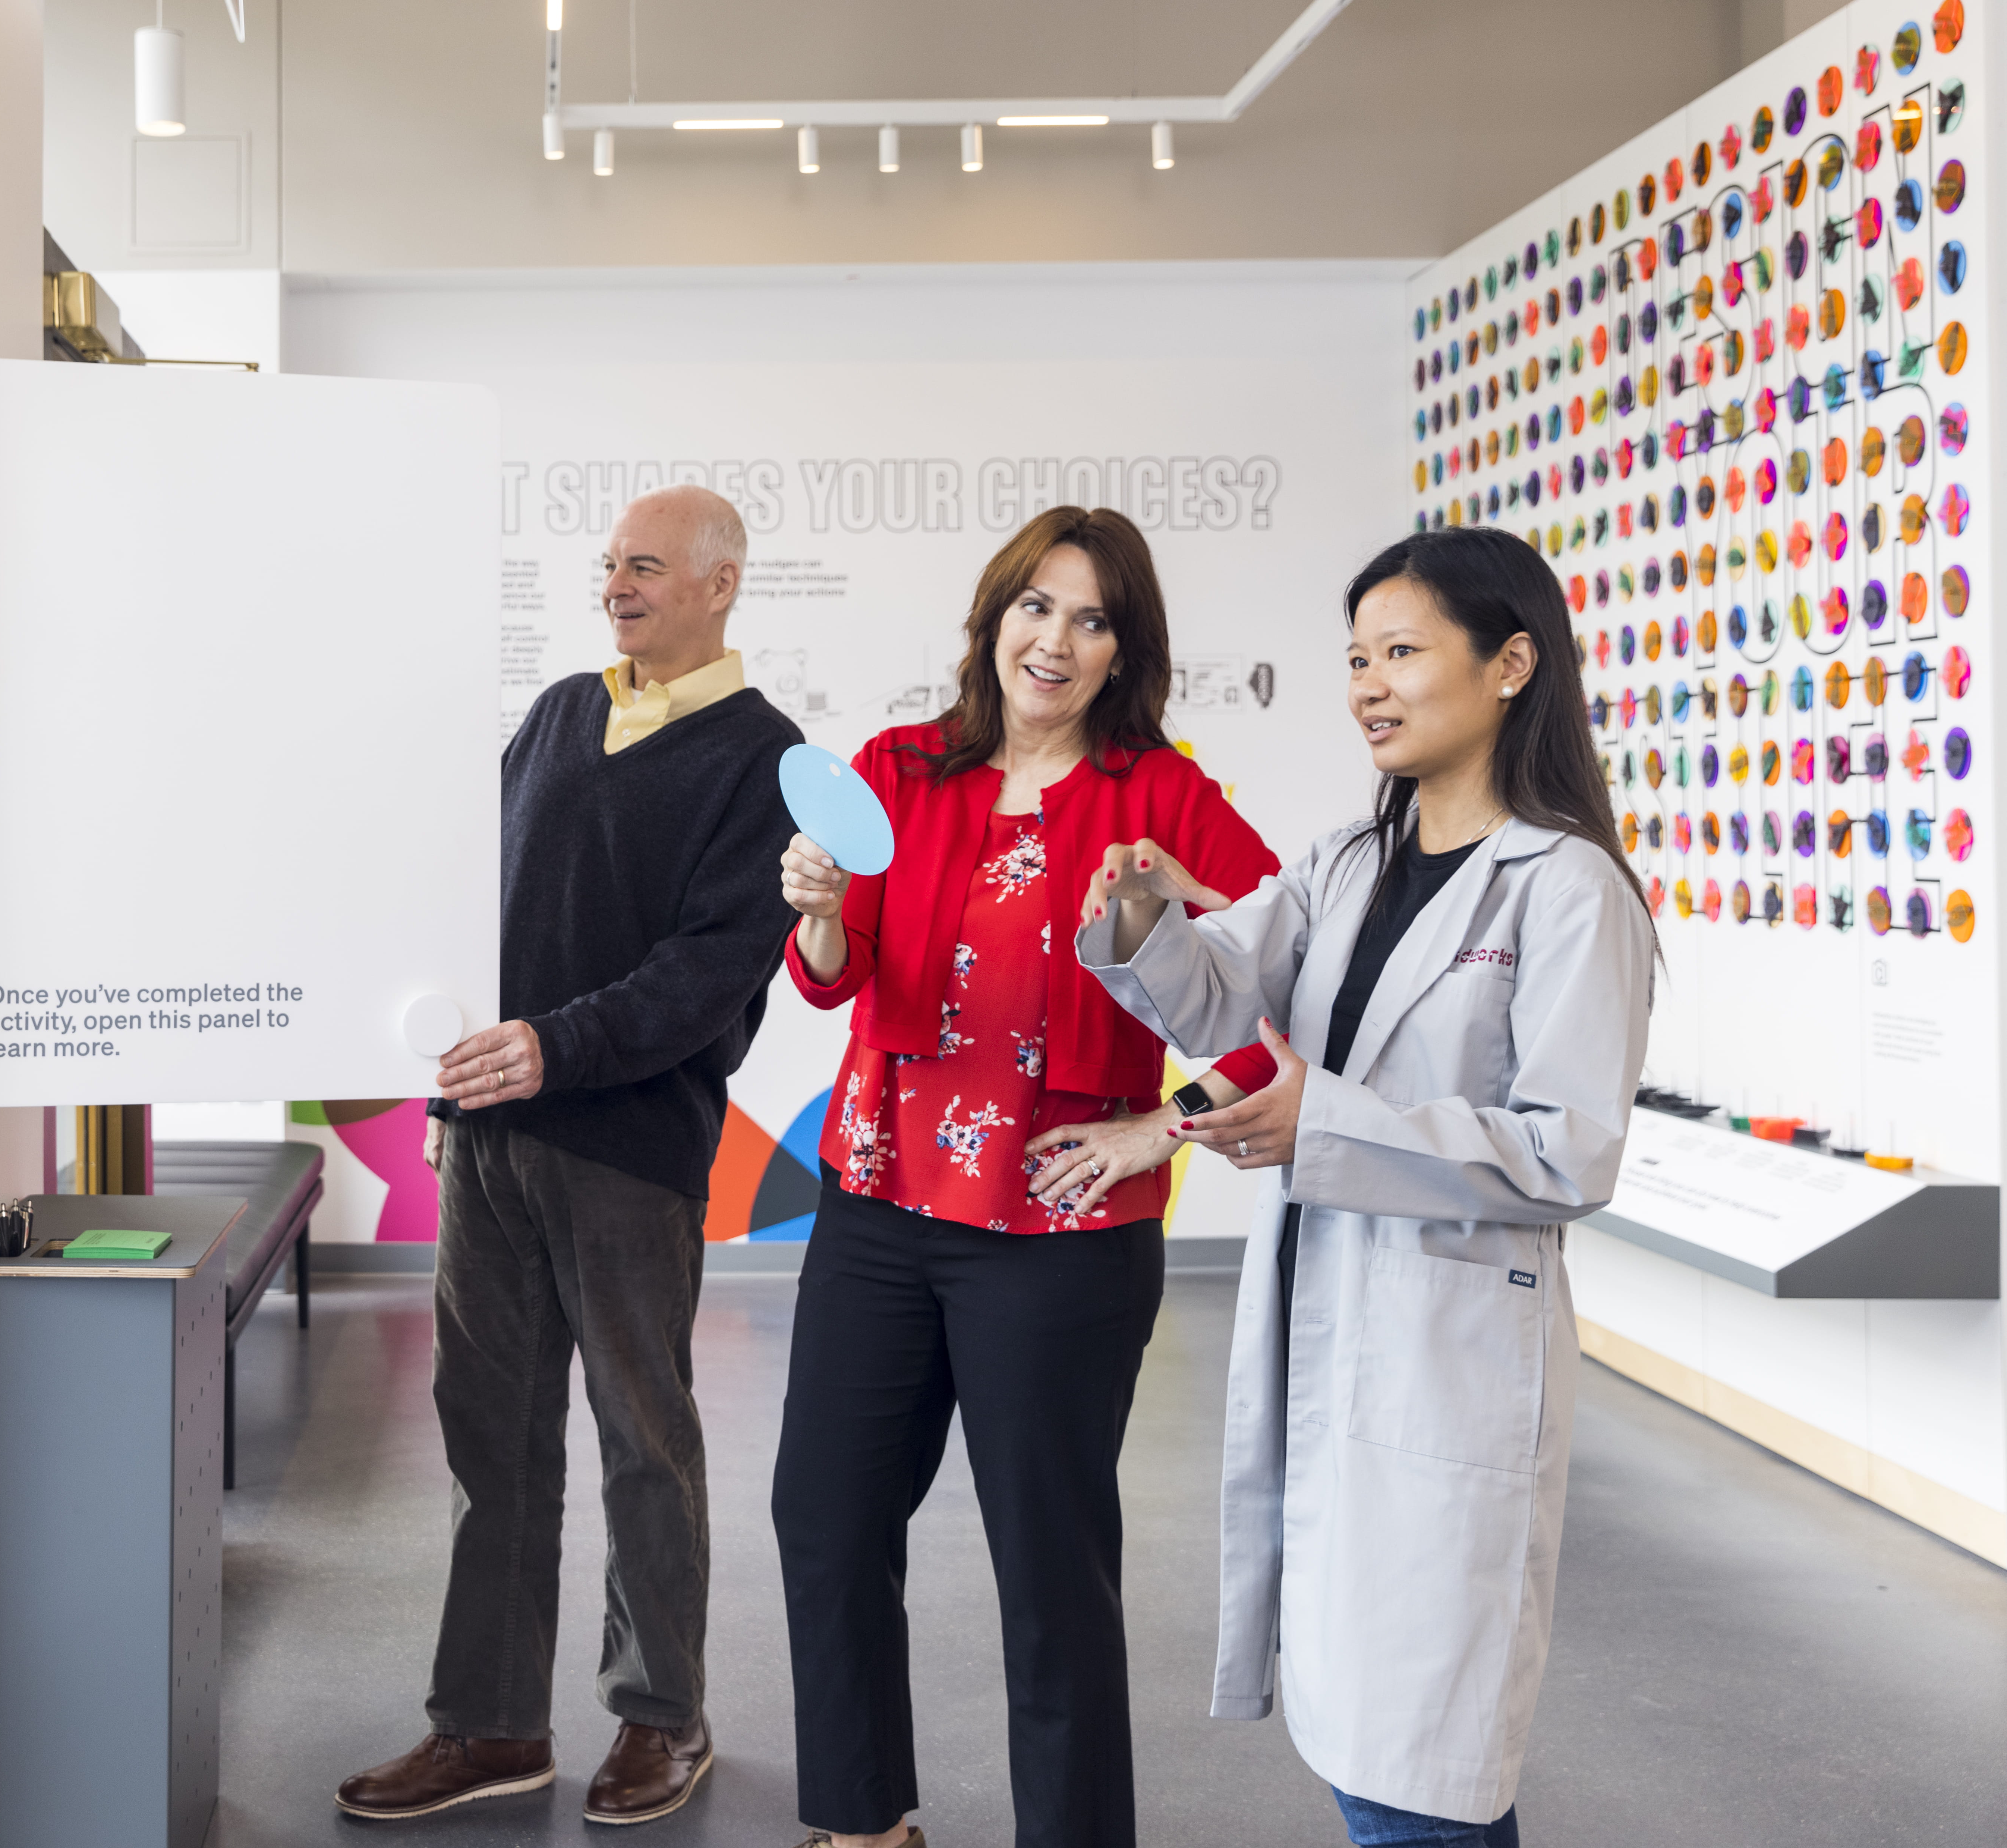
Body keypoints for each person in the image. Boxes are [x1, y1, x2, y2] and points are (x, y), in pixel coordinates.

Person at [1075, 527, 1655, 1848]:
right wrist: (1141, 912)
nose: (1368, 686)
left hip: (1450, 1363)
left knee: (1422, 1770)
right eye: (1355, 658)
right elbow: (1221, 990)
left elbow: (1568, 1152)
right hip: (1331, 1333)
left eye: (1401, 652)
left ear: (1512, 664)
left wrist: (1319, 1124)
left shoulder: (1567, 892)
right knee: (1361, 1742)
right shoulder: (1348, 862)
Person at [770, 505, 1284, 1848]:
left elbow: (1289, 1018)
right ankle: (860, 1822)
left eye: (1093, 618)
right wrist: (819, 913)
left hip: (1056, 1238)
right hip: (877, 1210)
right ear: (992, 620)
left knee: (1049, 1574)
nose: (1055, 640)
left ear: (1126, 651)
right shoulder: (896, 768)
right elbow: (836, 979)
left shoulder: (1164, 800)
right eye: (1035, 607)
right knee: (822, 1519)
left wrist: (1157, 1128)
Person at [335, 485, 802, 1828]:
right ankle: (488, 1728)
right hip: (485, 1138)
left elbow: (709, 976)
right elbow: (467, 886)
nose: (617, 586)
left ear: (720, 583)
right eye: (609, 566)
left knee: (641, 1441)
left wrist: (555, 1044)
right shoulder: (557, 713)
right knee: (493, 1442)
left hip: (627, 1151)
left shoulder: (762, 761)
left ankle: (663, 1718)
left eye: (644, 566)